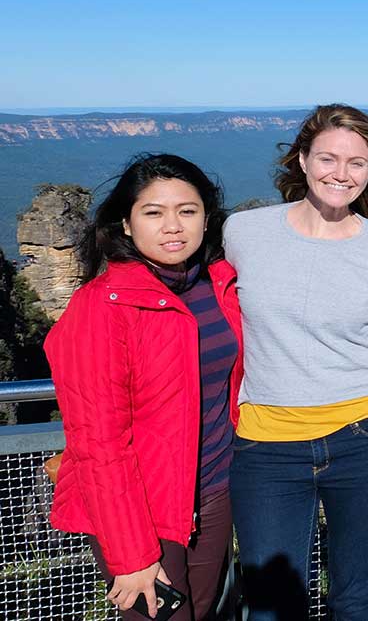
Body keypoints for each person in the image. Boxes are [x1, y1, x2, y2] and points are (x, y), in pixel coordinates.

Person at [223, 104, 368, 620]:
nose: (342, 173)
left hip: (365, 441)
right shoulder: (243, 233)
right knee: (271, 605)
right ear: (303, 160)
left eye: (357, 162)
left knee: (356, 597)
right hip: (266, 446)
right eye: (328, 158)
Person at [45, 154, 242, 620]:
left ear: (206, 219)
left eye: (187, 211)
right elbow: (97, 443)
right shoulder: (100, 308)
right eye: (153, 212)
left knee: (204, 612)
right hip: (142, 510)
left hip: (216, 493)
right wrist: (131, 555)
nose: (172, 226)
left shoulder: (219, 284)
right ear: (127, 226)